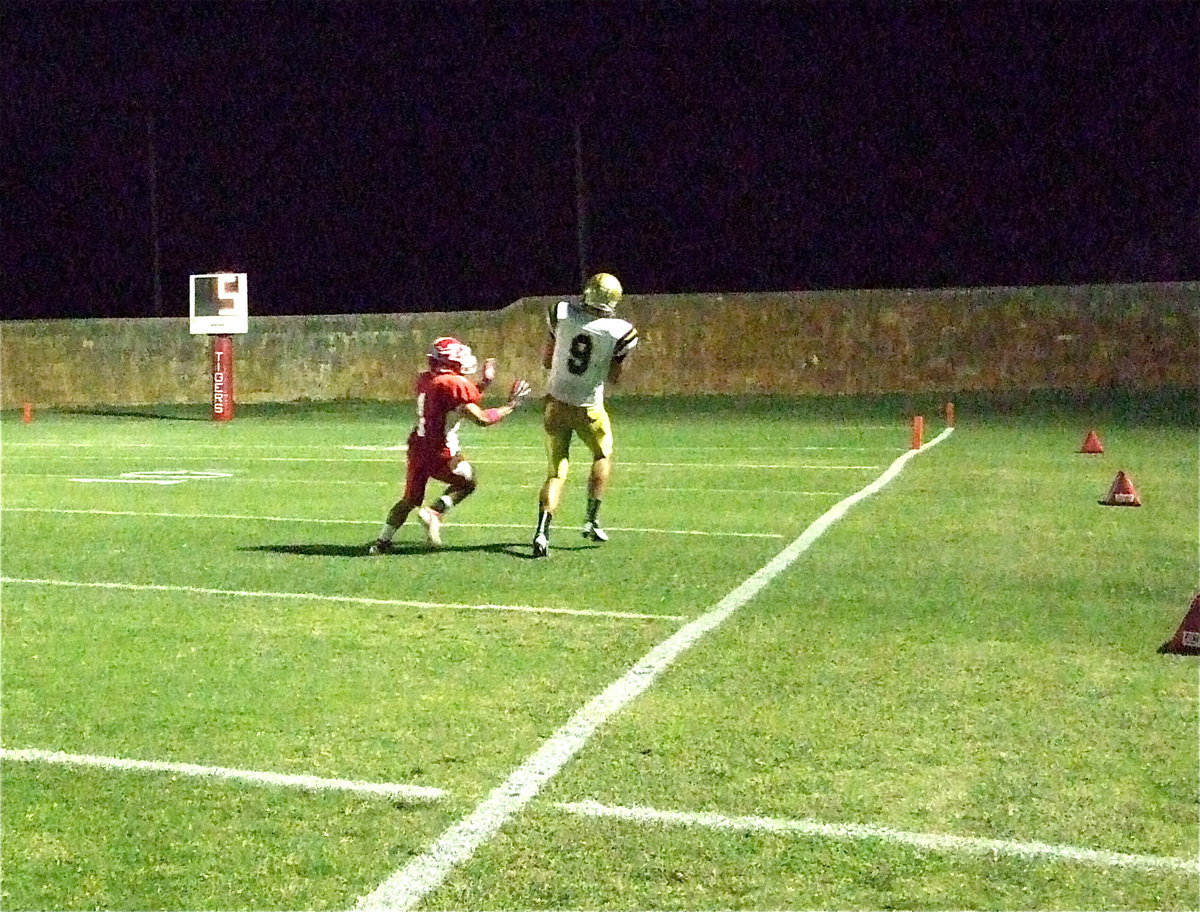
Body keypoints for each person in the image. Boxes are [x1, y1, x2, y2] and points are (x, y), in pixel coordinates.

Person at [369, 336, 530, 553]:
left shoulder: (426, 379)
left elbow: (456, 400)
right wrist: (511, 405)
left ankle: (382, 542)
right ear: (450, 361)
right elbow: (481, 418)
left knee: (409, 500)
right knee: (469, 482)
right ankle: (434, 512)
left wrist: (484, 384)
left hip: (418, 447)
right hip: (441, 451)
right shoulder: (454, 384)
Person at [532, 272, 639, 558]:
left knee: (556, 472)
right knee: (602, 455)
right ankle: (591, 519)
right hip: (588, 407)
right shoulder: (621, 331)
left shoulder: (562, 313)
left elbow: (546, 359)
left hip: (555, 403)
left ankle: (542, 533)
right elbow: (614, 377)